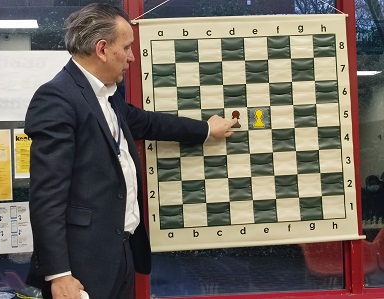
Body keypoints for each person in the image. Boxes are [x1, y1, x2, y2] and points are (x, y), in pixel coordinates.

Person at [24, 3, 236, 299]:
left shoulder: (108, 96)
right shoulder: (57, 99)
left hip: (121, 254)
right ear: (102, 49)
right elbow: (47, 195)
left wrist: (206, 130)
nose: (132, 57)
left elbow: (150, 123)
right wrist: (59, 275)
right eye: (126, 47)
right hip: (83, 268)